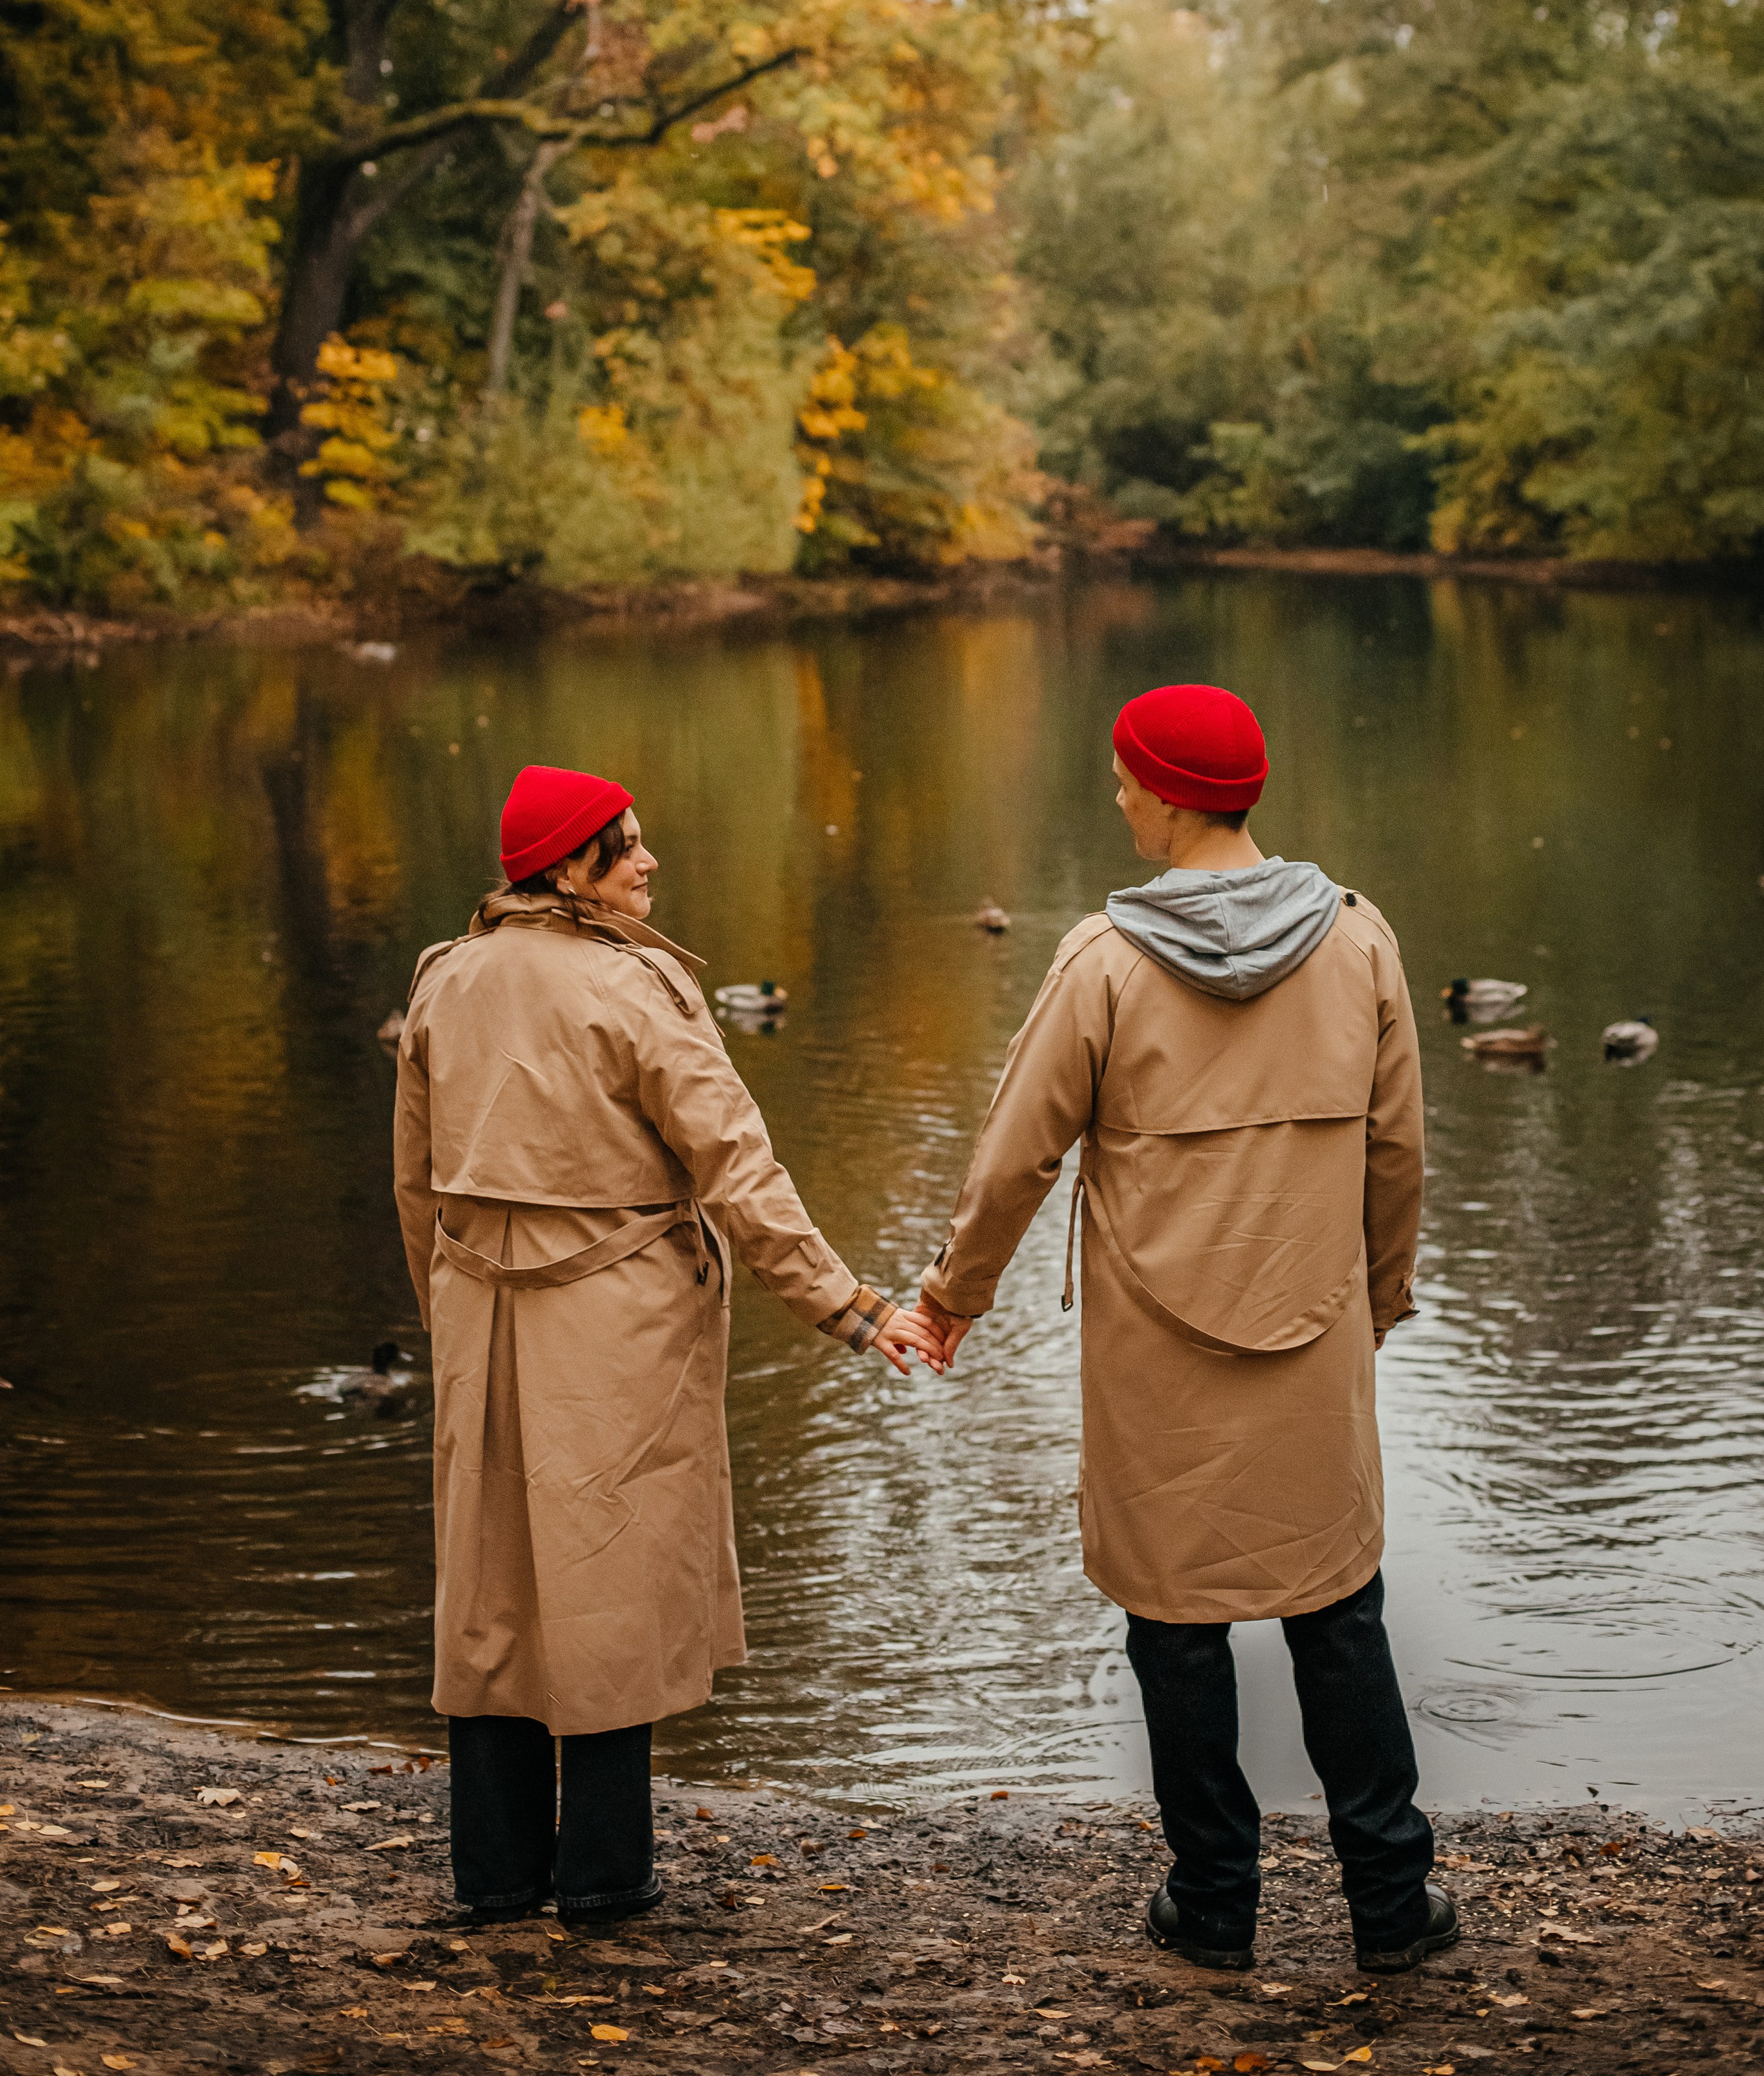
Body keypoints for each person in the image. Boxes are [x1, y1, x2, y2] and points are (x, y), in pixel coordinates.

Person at [910, 684, 1455, 1975]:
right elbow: (1401, 1155)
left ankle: (1215, 1904)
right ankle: (1390, 1903)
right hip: (1314, 1328)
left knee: (1176, 1621)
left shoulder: (1103, 962)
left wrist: (951, 1300)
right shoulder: (1361, 941)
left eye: (1123, 780)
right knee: (1338, 1608)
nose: (1117, 798)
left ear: (1165, 793)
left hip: (1158, 1347)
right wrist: (1377, 1301)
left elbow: (1013, 1162)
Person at [393, 762, 935, 1928]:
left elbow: (413, 1184)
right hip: (618, 1325)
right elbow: (741, 1174)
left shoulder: (445, 979)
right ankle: (601, 1879)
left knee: (489, 1589)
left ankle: (492, 1879)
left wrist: (447, 1322)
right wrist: (855, 1308)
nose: (647, 861)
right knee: (608, 1590)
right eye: (624, 844)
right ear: (565, 869)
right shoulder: (637, 991)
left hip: (479, 1315)